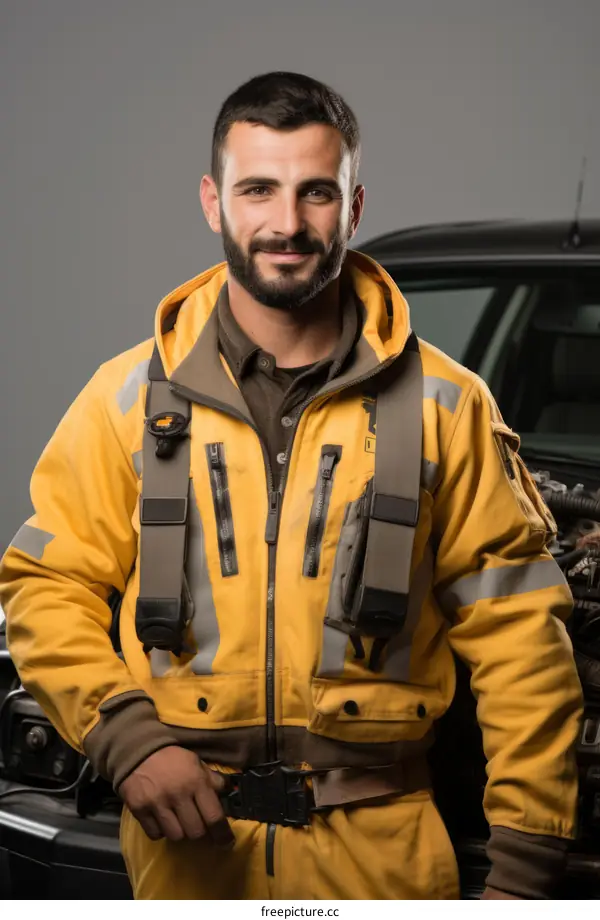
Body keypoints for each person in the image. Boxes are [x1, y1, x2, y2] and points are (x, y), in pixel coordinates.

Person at [0, 72, 583, 901]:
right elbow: (47, 585)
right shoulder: (127, 396)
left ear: (352, 206)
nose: (286, 222)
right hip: (184, 852)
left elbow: (522, 641)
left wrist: (525, 875)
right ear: (213, 201)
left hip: (385, 857)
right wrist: (127, 739)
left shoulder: (447, 405)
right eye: (258, 189)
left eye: (316, 192)